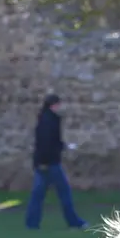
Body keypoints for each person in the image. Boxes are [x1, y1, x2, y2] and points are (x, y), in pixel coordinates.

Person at [26, 94, 88, 230]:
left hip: (43, 163)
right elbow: (47, 142)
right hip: (50, 163)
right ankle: (73, 221)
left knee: (38, 195)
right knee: (64, 193)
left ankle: (32, 223)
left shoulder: (43, 119)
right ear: (54, 105)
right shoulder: (50, 121)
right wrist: (47, 160)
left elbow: (46, 142)